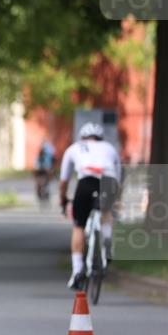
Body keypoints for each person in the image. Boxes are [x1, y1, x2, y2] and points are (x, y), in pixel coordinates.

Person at [58, 122, 122, 290]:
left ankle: (78, 271)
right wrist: (117, 199)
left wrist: (63, 200)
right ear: (100, 138)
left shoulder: (73, 148)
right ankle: (107, 246)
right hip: (108, 181)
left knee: (79, 226)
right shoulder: (110, 148)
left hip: (86, 182)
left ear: (82, 137)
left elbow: (63, 181)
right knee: (106, 214)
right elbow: (119, 177)